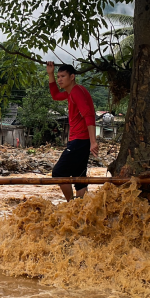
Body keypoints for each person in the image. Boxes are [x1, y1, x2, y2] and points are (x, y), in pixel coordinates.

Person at [46, 61, 99, 201]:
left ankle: (71, 204)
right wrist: (50, 74)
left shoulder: (76, 92)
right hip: (81, 141)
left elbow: (88, 115)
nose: (59, 80)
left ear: (72, 77)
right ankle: (80, 209)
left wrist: (93, 142)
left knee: (58, 173)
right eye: (58, 77)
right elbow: (55, 95)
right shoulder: (71, 93)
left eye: (63, 76)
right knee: (79, 177)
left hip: (79, 141)